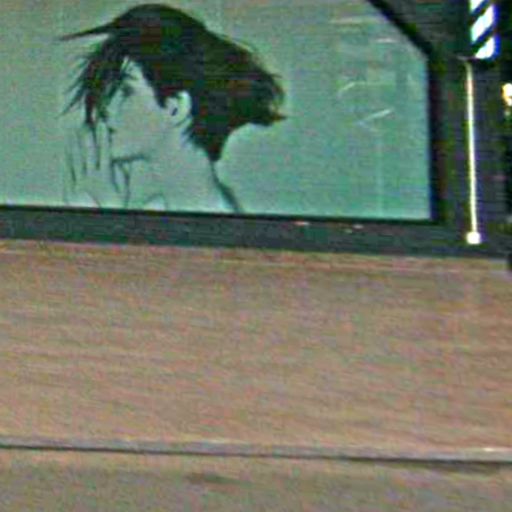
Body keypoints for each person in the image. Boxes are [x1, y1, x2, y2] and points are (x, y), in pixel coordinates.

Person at [61, 3, 285, 212]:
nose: (106, 110)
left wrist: (106, 220)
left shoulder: (222, 225)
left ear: (176, 107)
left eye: (127, 92)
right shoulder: (154, 209)